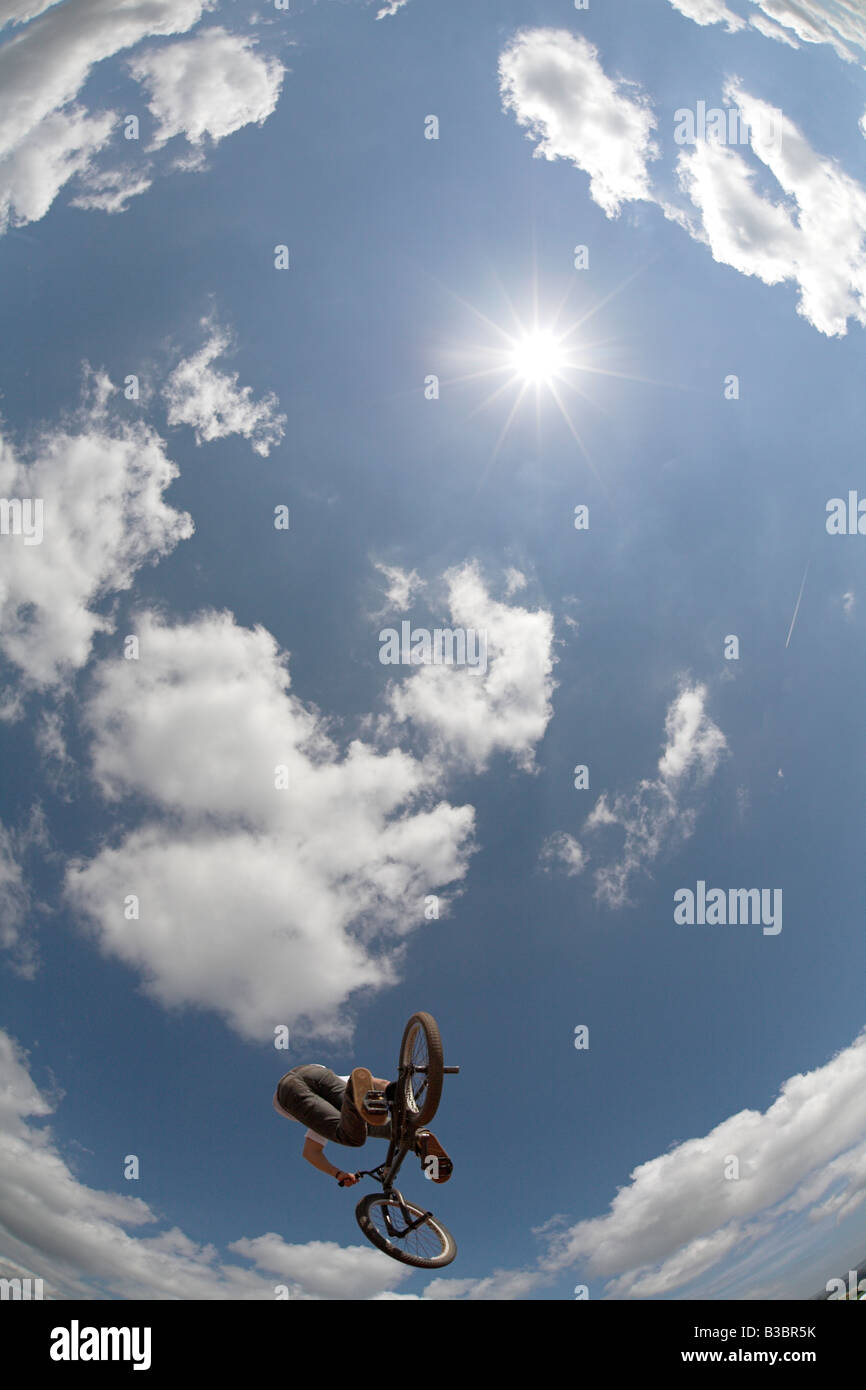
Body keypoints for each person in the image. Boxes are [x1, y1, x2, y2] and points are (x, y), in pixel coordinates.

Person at [273, 1063, 452, 1186]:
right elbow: (384, 1084)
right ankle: (414, 1136)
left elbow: (311, 1152)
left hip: (291, 1089)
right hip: (318, 1073)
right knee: (362, 1122)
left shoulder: (319, 1119)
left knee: (355, 1132)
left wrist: (338, 1174)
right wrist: (402, 1101)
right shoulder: (330, 1104)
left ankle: (414, 1138)